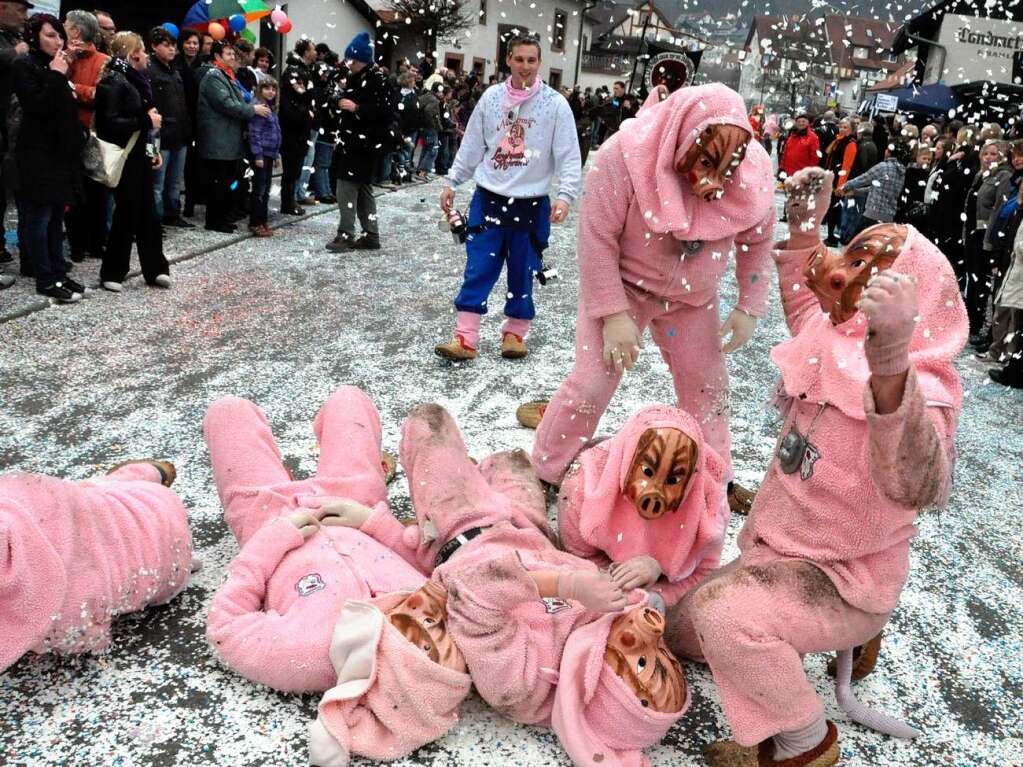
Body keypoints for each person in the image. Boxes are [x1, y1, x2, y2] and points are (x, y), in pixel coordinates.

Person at [668, 167, 965, 767]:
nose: (844, 274)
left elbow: (918, 481)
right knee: (681, 631)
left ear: (915, 304)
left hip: (843, 576)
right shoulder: (836, 342)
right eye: (851, 258)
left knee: (723, 618)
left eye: (866, 270)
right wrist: (804, 229)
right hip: (779, 552)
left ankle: (804, 741)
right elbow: (808, 303)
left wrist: (890, 366)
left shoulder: (922, 389)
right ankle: (823, 635)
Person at [327, 403, 690, 766]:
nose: (651, 633)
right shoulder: (607, 631)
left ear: (602, 691)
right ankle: (477, 473)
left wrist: (569, 586)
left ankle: (443, 491)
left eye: (646, 662)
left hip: (462, 530)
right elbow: (635, 585)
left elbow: (471, 596)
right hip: (530, 529)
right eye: (668, 658)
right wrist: (649, 566)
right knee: (512, 459)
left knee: (427, 421)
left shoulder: (523, 688)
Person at [525, 84, 773, 519]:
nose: (711, 182)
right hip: (624, 287)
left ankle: (715, 478)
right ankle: (545, 471)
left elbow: (757, 235)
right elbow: (596, 239)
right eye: (704, 164)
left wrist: (750, 301)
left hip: (693, 299)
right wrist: (613, 312)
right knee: (591, 383)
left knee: (708, 389)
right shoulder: (622, 155)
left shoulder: (752, 173)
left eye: (723, 169)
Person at [203, 386, 445, 695]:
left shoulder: (308, 656)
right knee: (349, 398)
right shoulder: (441, 619)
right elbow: (433, 565)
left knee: (227, 411)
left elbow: (225, 626)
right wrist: (373, 522)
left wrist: (271, 542)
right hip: (354, 502)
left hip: (267, 517)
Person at [434, 34, 580, 358]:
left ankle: (514, 334)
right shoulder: (491, 98)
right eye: (519, 59)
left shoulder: (555, 104)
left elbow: (569, 155)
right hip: (489, 198)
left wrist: (566, 196)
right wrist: (452, 180)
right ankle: (465, 338)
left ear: (539, 63)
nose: (525, 66)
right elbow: (472, 145)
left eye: (531, 60)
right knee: (478, 268)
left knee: (522, 270)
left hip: (531, 204)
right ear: (508, 61)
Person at [0, 459, 192, 674]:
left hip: (159, 544)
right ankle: (148, 472)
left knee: (102, 504)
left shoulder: (63, 606)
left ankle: (146, 474)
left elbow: (83, 636)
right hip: (111, 506)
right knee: (96, 496)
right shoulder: (14, 492)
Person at [554, 405, 727, 609]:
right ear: (627, 461)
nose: (655, 492)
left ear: (691, 482)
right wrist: (623, 580)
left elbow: (704, 574)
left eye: (672, 480)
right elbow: (575, 557)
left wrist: (656, 580)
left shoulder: (708, 507)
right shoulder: (582, 486)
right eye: (647, 471)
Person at [11, 13, 86, 303]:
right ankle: (44, 277)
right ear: (34, 37)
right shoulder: (25, 66)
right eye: (50, 35)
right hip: (36, 154)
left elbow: (65, 108)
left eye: (59, 35)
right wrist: (56, 74)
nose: (57, 41)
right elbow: (38, 107)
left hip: (60, 154)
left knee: (56, 217)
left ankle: (58, 271)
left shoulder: (55, 65)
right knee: (39, 217)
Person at [95, 31, 170, 293]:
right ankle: (113, 270)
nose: (147, 55)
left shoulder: (139, 80)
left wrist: (153, 151)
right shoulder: (114, 81)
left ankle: (156, 268)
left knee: (149, 214)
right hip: (124, 156)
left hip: (141, 155)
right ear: (132, 54)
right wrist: (145, 121)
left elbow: (149, 124)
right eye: (143, 50)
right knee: (127, 212)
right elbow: (109, 123)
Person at [324, 32, 395, 252]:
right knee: (363, 188)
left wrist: (356, 108)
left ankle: (346, 234)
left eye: (351, 60)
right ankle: (371, 234)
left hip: (363, 143)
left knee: (346, 186)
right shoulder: (357, 77)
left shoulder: (377, 80)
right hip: (354, 141)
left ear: (360, 59)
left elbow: (386, 111)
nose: (348, 64)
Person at [196, 40, 269, 233]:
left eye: (232, 54)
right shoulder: (213, 77)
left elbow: (239, 98)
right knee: (218, 182)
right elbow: (227, 104)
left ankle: (222, 218)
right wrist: (252, 109)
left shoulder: (228, 76)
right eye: (228, 54)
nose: (232, 58)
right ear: (217, 57)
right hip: (218, 139)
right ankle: (214, 221)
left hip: (229, 139)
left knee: (228, 181)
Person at [63, 9, 111, 264]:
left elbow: (100, 96)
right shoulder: (64, 57)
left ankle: (96, 241)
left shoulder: (104, 60)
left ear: (76, 31)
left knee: (96, 192)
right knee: (74, 193)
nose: (63, 28)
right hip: (68, 135)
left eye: (67, 26)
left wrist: (72, 88)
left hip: (93, 135)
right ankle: (76, 244)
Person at [962, 141, 1009, 337]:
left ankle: (975, 323)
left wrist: (989, 238)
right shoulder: (981, 175)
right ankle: (968, 320)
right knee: (970, 279)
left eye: (994, 154)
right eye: (986, 154)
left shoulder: (1002, 176)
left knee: (979, 280)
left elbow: (998, 208)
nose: (989, 157)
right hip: (973, 231)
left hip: (984, 233)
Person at [147, 26, 192, 228]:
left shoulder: (175, 71)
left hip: (180, 134)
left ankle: (172, 214)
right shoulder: (150, 70)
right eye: (166, 46)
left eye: (173, 46)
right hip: (158, 135)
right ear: (154, 46)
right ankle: (154, 220)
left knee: (175, 181)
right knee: (157, 182)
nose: (171, 50)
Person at [0, 0, 30, 268]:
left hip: (8, 127)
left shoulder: (14, 37)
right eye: (20, 9)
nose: (24, 15)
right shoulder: (11, 45)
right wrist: (15, 53)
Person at [834, 139, 910, 237]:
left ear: (888, 151)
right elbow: (877, 189)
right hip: (888, 218)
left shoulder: (883, 167)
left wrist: (844, 187)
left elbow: (862, 179)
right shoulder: (902, 172)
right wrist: (856, 192)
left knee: (857, 245)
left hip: (872, 215)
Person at [279, 38, 317, 214]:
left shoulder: (303, 70)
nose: (315, 52)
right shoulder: (294, 72)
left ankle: (290, 201)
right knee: (291, 167)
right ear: (305, 52)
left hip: (300, 125)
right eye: (313, 49)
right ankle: (287, 203)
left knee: (296, 167)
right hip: (293, 127)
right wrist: (305, 113)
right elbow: (296, 99)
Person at [247, 77, 281, 237]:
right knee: (259, 190)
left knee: (266, 189)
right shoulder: (259, 108)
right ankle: (255, 222)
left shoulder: (271, 108)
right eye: (267, 88)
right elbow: (255, 133)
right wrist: (258, 155)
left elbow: (275, 133)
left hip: (269, 154)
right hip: (261, 155)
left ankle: (263, 220)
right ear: (260, 90)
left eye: (273, 89)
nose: (271, 92)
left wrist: (276, 154)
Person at [823, 117, 857, 245]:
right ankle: (831, 236)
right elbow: (828, 153)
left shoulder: (850, 143)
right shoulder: (838, 141)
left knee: (835, 210)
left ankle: (833, 237)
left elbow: (846, 166)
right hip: (832, 178)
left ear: (851, 130)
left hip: (839, 181)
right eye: (841, 126)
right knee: (832, 209)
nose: (842, 129)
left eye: (845, 127)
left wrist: (840, 186)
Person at [779, 113, 820, 181]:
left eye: (803, 121)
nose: (801, 123)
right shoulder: (792, 135)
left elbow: (815, 157)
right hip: (789, 172)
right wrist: (782, 168)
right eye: (799, 121)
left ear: (808, 123)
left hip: (802, 173)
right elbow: (785, 153)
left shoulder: (813, 137)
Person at [416, 79, 442, 178]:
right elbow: (428, 111)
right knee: (432, 149)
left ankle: (420, 170)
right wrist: (433, 124)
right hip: (430, 128)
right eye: (440, 92)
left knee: (426, 148)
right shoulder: (434, 100)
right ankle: (423, 171)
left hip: (422, 127)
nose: (441, 94)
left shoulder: (424, 96)